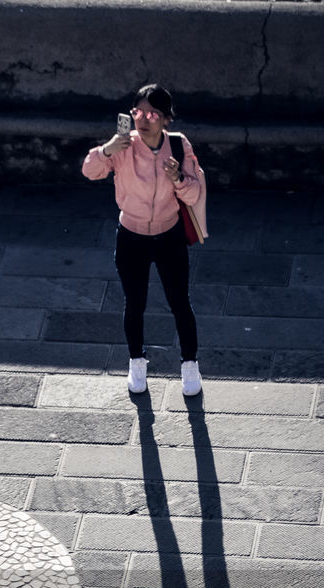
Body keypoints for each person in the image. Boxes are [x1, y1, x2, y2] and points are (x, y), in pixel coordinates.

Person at [82, 83, 204, 396]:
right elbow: (90, 171)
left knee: (179, 302)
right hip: (131, 235)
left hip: (169, 234)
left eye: (153, 113)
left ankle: (189, 364)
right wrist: (107, 150)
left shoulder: (177, 145)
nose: (144, 119)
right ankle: (137, 361)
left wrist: (177, 178)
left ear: (166, 119)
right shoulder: (123, 145)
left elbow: (194, 192)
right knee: (134, 303)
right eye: (139, 111)